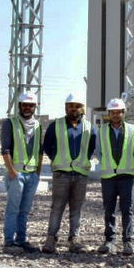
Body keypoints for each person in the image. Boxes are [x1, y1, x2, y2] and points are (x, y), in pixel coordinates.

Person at [41, 92, 96, 253]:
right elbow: (47, 146)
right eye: (71, 106)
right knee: (57, 208)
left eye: (77, 106)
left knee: (76, 209)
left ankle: (74, 239)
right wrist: (57, 158)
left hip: (80, 175)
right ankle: (51, 239)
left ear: (82, 109)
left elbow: (92, 147)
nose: (74, 109)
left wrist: (82, 160)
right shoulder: (56, 125)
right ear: (66, 107)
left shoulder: (89, 127)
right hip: (61, 174)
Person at [96, 98, 134, 256]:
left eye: (119, 112)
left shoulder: (132, 129)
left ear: (124, 113)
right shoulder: (102, 130)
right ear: (109, 114)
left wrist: (133, 167)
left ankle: (127, 241)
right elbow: (98, 151)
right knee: (109, 209)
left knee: (126, 210)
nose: (116, 115)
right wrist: (106, 164)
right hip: (108, 176)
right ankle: (109, 240)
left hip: (126, 176)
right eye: (113, 112)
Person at [0, 90, 43, 254]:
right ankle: (9, 242)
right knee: (13, 209)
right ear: (19, 105)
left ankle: (21, 240)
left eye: (31, 105)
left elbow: (39, 150)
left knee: (24, 210)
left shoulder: (37, 125)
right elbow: (5, 150)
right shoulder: (10, 123)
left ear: (35, 107)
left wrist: (37, 173)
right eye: (25, 105)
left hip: (32, 175)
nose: (27, 108)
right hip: (17, 174)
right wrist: (12, 172)